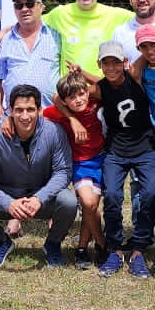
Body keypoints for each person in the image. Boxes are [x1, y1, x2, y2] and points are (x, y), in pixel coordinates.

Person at [0, 85, 79, 268]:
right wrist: (7, 202)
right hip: (8, 196)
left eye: (30, 110)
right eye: (19, 110)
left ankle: (53, 244)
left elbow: (63, 172)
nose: (25, 116)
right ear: (10, 111)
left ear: (40, 110)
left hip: (41, 197)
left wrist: (39, 198)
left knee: (68, 200)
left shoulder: (55, 132)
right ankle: (0, 241)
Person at [96, 43, 155, 278]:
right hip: (115, 150)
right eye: (106, 63)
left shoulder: (136, 78)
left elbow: (147, 52)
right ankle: (115, 248)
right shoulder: (99, 88)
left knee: (150, 194)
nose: (111, 67)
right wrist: (73, 120)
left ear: (125, 63)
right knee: (111, 195)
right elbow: (63, 96)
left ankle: (139, 249)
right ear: (100, 65)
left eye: (116, 62)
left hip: (144, 148)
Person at [43, 72, 106, 270]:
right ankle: (103, 245)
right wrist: (71, 118)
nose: (78, 100)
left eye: (81, 94)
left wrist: (83, 75)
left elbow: (104, 85)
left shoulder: (95, 104)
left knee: (92, 207)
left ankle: (81, 249)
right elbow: (42, 109)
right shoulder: (58, 113)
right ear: (64, 101)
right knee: (88, 204)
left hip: (102, 159)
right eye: (72, 97)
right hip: (80, 164)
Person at [44, 0, 133, 79]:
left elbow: (146, 18)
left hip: (102, 90)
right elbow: (31, 22)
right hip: (71, 91)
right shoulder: (59, 14)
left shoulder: (115, 14)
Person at [0, 0, 62, 117]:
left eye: (29, 4)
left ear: (41, 7)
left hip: (49, 115)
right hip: (15, 117)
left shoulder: (57, 36)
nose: (24, 9)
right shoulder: (5, 39)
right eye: (19, 5)